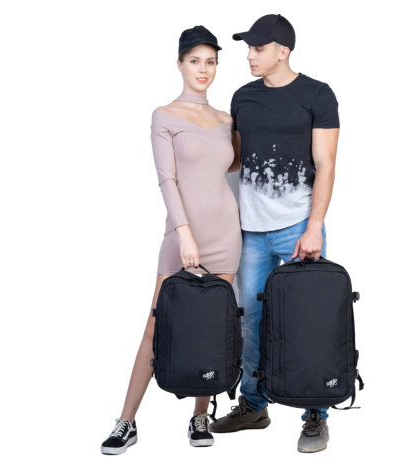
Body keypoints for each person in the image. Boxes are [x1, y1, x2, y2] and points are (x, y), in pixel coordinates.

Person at [100, 25, 242, 454]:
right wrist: (184, 234)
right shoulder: (164, 115)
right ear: (180, 64)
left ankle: (200, 415)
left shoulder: (227, 120)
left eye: (210, 62)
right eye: (195, 61)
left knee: (211, 329)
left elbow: (233, 168)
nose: (203, 69)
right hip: (183, 237)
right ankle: (126, 421)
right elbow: (168, 180)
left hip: (226, 235)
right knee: (156, 325)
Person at [209, 14, 340, 453]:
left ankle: (316, 413)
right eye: (248, 48)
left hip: (299, 227)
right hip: (249, 231)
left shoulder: (317, 95)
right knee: (251, 322)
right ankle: (254, 405)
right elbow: (235, 159)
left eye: (258, 48)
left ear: (283, 51)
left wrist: (315, 226)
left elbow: (326, 164)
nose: (249, 55)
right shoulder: (243, 97)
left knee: (309, 321)